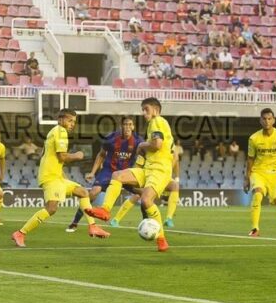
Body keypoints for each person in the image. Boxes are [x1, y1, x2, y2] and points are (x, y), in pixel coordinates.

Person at [86, 98, 173, 252]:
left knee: (146, 201)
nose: (144, 113)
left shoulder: (157, 121)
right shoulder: (152, 125)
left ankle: (161, 239)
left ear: (155, 109)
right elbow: (149, 150)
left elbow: (157, 145)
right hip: (148, 169)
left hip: (160, 170)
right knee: (118, 175)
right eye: (143, 109)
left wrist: (141, 145)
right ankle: (106, 210)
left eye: (146, 109)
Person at [11, 109, 109, 247]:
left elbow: (54, 159)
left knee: (83, 192)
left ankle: (93, 226)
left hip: (57, 176)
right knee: (51, 209)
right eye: (70, 120)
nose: (72, 124)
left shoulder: (55, 132)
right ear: (61, 120)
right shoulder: (60, 131)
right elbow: (62, 156)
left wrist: (64, 177)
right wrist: (78, 155)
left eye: (74, 122)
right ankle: (20, 233)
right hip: (51, 178)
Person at [65, 116, 142, 232]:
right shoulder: (111, 138)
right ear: (121, 126)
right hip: (108, 172)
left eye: (130, 124)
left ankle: (149, 222)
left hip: (126, 173)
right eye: (125, 124)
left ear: (133, 127)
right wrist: (92, 172)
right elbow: (101, 155)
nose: (127, 127)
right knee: (93, 192)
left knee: (144, 193)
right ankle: (75, 221)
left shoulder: (138, 141)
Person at [244, 108, 276, 237]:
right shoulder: (254, 138)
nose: (267, 121)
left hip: (274, 174)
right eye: (264, 119)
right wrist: (247, 178)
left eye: (269, 119)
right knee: (257, 195)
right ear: (260, 121)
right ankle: (255, 228)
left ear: (274, 120)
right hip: (258, 172)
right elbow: (250, 159)